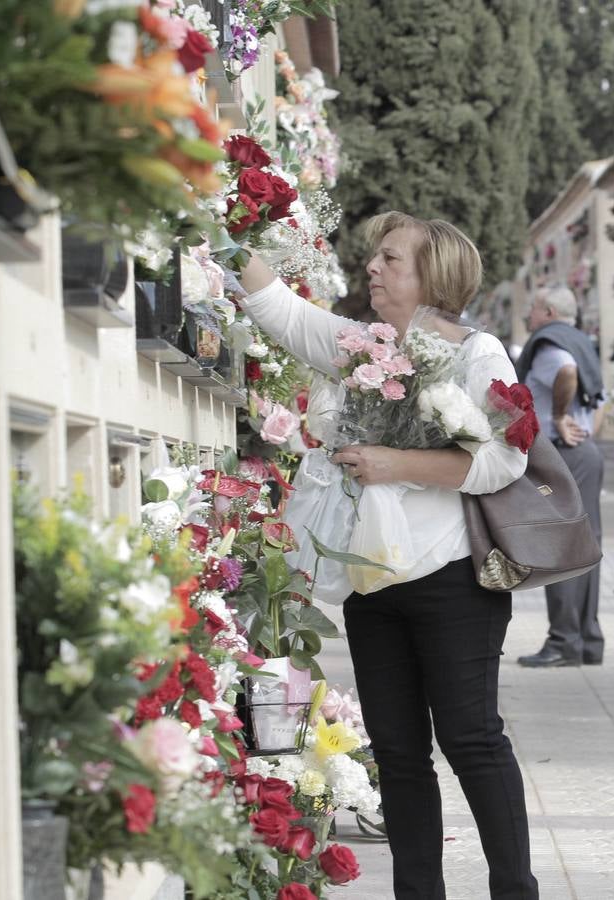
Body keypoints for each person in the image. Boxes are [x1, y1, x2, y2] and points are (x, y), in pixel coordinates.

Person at [238, 212, 540, 899]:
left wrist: (393, 461)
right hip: (373, 585)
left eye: (391, 259)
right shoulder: (359, 346)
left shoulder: (477, 353)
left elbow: (505, 459)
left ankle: (516, 892)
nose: (372, 268)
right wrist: (223, 234)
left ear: (434, 276)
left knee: (472, 741)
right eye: (375, 258)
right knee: (400, 759)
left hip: (453, 579)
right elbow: (282, 312)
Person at [512, 285, 606, 668]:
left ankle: (563, 641)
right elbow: (602, 399)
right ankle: (586, 641)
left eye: (532, 309)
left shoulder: (550, 342)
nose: (529, 317)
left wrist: (558, 418)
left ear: (548, 311)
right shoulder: (583, 341)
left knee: (561, 548)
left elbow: (565, 373)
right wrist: (582, 428)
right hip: (585, 453)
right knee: (585, 548)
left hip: (562, 453)